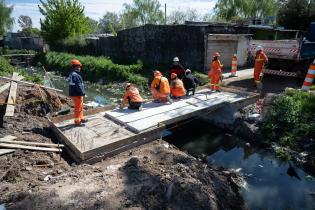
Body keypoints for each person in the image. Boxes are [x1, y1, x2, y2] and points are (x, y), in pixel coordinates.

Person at [68, 59, 87, 126]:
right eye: (79, 67)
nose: (80, 68)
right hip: (77, 94)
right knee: (78, 108)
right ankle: (77, 121)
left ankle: (81, 118)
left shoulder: (72, 74)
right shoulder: (75, 75)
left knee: (80, 106)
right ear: (75, 67)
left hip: (75, 93)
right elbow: (78, 86)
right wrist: (83, 93)